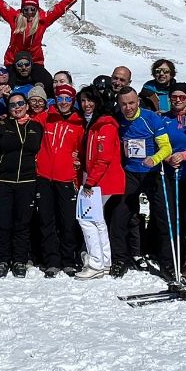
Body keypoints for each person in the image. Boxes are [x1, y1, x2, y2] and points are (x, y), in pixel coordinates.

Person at [112, 85, 175, 278]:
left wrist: (154, 159)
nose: (128, 107)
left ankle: (167, 264)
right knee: (119, 217)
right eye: (123, 104)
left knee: (164, 217)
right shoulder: (118, 120)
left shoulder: (151, 118)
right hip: (130, 173)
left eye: (131, 103)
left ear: (138, 101)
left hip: (152, 173)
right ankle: (120, 259)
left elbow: (166, 147)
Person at [0, 91, 44, 277]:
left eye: (20, 104)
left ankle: (19, 260)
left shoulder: (36, 126)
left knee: (23, 223)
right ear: (8, 109)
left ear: (26, 105)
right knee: (2, 223)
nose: (17, 108)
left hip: (27, 181)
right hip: (3, 182)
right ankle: (1, 260)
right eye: (12, 105)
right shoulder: (1, 125)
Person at [74, 86, 125, 279]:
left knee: (86, 218)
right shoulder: (95, 124)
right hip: (98, 179)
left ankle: (95, 263)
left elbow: (104, 157)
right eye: (83, 101)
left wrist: (90, 182)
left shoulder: (105, 125)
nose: (86, 105)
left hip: (102, 180)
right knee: (98, 220)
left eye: (90, 100)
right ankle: (104, 261)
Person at [34, 82, 84, 277]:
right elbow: (26, 123)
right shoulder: (45, 117)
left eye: (67, 99)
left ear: (72, 101)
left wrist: (78, 161)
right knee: (47, 220)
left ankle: (68, 259)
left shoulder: (78, 123)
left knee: (68, 221)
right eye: (60, 99)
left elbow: (82, 148)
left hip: (67, 177)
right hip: (45, 176)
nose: (63, 103)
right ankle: (51, 260)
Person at [162, 83, 186, 279]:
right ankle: (171, 254)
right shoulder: (164, 119)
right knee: (170, 216)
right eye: (173, 97)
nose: (177, 100)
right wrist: (167, 157)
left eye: (181, 97)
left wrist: (185, 155)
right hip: (169, 174)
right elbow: (157, 143)